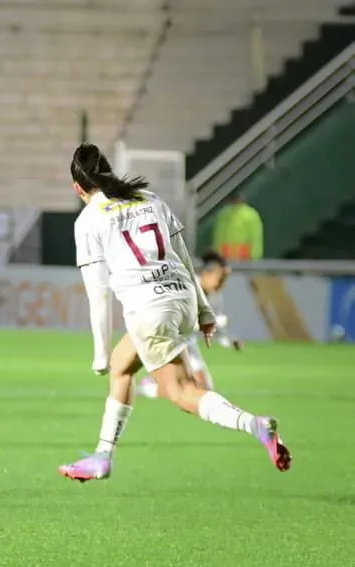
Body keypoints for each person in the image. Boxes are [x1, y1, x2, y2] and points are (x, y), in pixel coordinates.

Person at [58, 143, 290, 483]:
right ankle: (103, 455)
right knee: (122, 367)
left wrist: (98, 352)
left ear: (78, 188)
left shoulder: (89, 220)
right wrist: (205, 311)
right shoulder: (149, 199)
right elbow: (183, 257)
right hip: (180, 298)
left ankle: (253, 424)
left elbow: (99, 293)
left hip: (148, 310)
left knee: (181, 392)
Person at [138, 249, 242, 397]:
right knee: (188, 388)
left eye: (225, 280)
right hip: (168, 336)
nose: (221, 284)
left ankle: (152, 384)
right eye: (220, 279)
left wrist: (230, 341)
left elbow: (213, 328)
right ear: (207, 274)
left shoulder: (215, 298)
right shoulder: (187, 286)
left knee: (205, 389)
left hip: (186, 341)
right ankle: (149, 387)